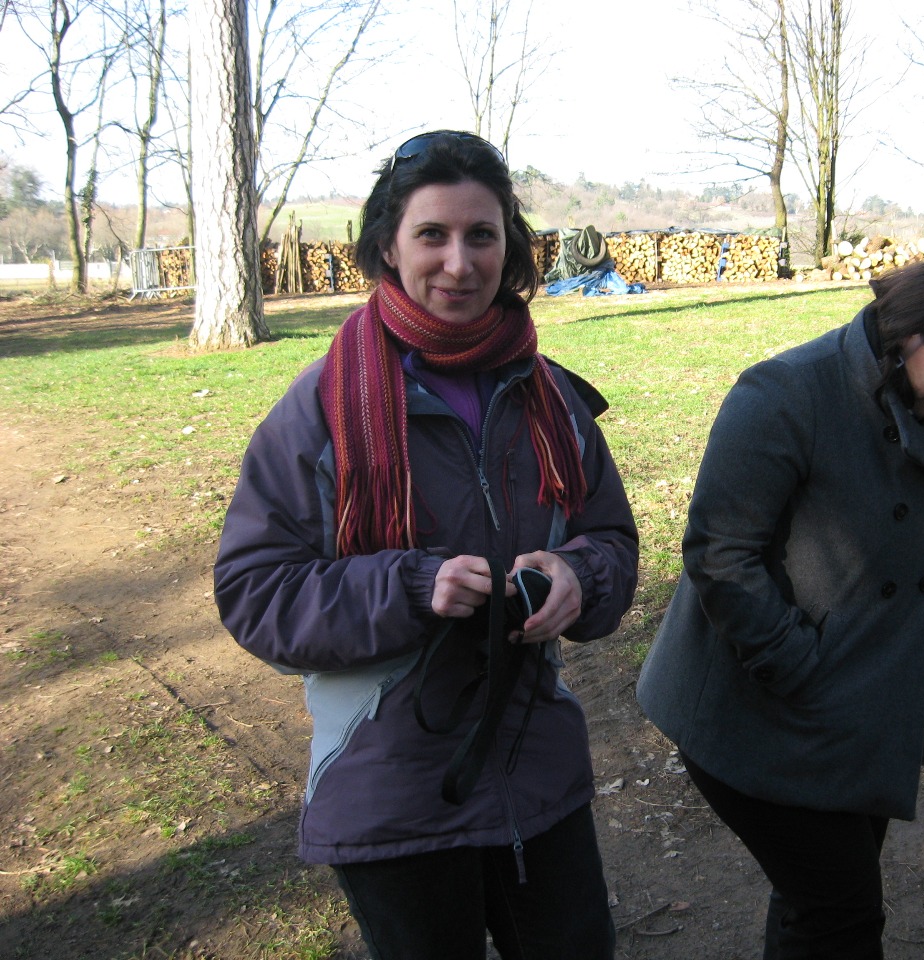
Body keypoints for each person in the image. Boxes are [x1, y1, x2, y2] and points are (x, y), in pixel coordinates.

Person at [214, 130, 638, 960]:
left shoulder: (552, 399)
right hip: (390, 787)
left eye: (482, 235)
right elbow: (255, 592)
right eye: (432, 235)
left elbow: (614, 541)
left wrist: (579, 576)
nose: (459, 263)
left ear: (509, 246)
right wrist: (410, 587)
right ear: (388, 245)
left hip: (536, 774)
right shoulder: (319, 412)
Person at [636, 252, 924, 960]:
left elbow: (922, 534)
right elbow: (720, 554)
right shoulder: (785, 393)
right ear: (911, 332)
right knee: (842, 917)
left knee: (815, 908)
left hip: (866, 712)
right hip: (761, 714)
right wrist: (800, 668)